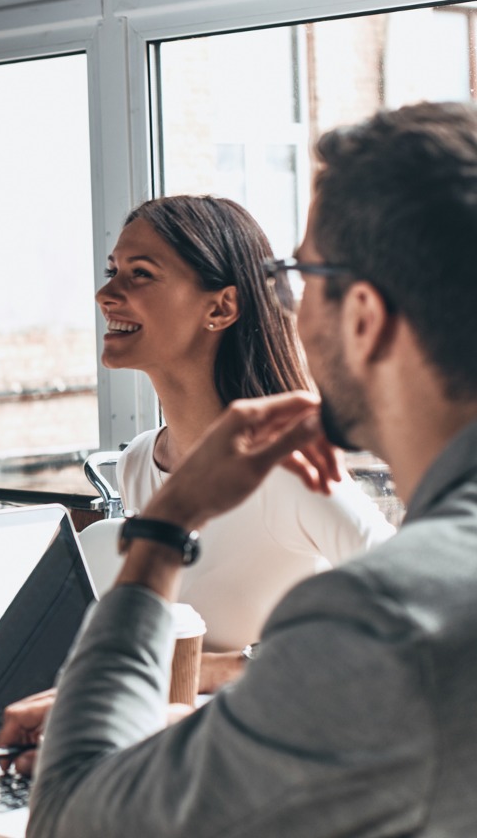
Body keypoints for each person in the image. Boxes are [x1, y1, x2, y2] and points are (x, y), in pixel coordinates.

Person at [0, 101, 477, 837]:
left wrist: (161, 534)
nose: (284, 301)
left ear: (363, 316)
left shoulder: (386, 614)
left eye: (301, 272)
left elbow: (71, 819)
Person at [95, 195, 392, 687]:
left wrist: (224, 669)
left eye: (140, 274)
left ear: (221, 307)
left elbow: (417, 613)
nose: (107, 294)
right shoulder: (138, 462)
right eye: (113, 271)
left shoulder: (288, 472)